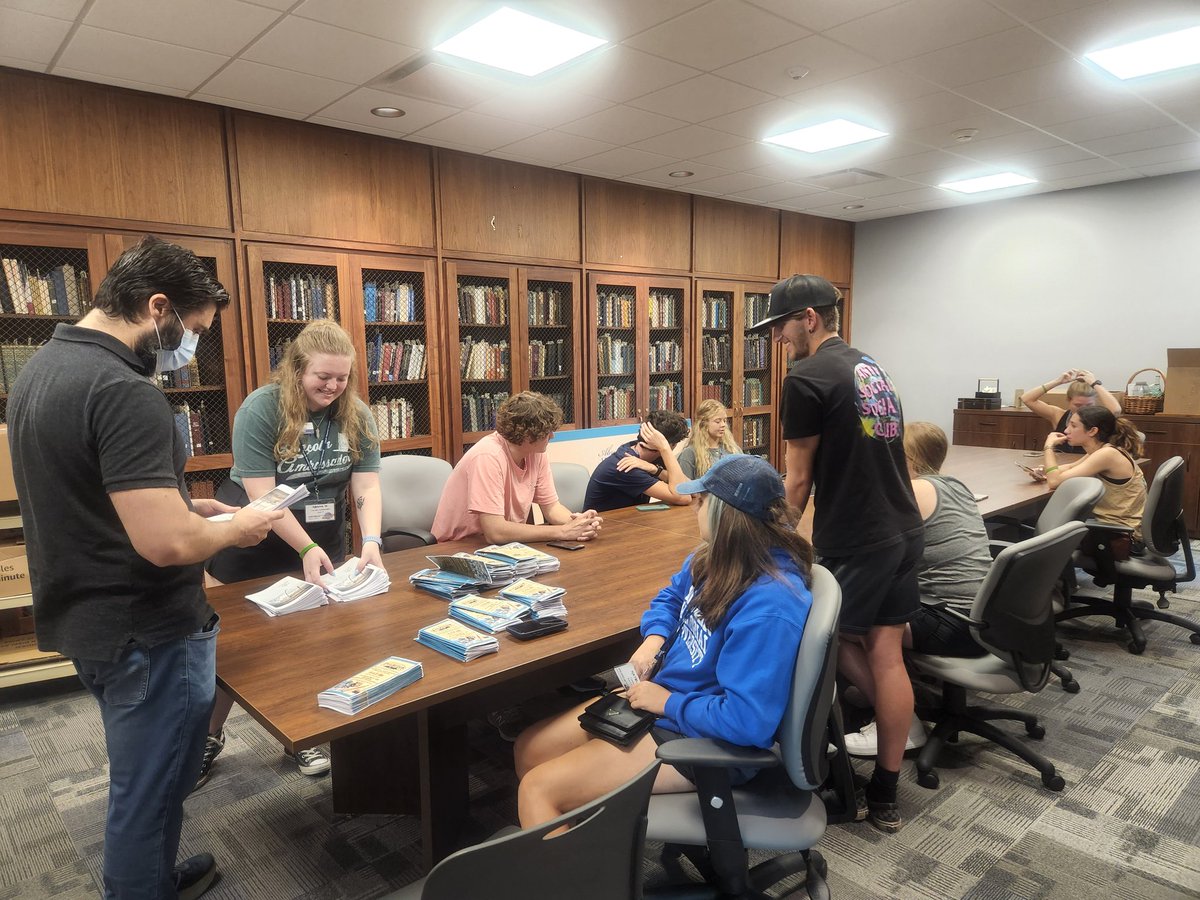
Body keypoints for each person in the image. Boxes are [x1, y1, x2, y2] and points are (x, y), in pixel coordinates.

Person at [7, 235, 281, 899]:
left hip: (88, 617)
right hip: (148, 630)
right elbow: (164, 546)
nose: (188, 348)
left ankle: (152, 878)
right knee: (151, 787)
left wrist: (184, 503)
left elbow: (86, 492)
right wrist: (238, 524)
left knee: (146, 776)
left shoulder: (44, 367)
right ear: (156, 306)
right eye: (189, 330)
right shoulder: (126, 391)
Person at [514, 455, 813, 828]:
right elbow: (671, 598)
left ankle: (575, 879)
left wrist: (668, 702)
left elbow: (748, 722)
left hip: (707, 738)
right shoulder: (716, 558)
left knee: (538, 789)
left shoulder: (770, 605)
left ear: (725, 514)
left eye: (702, 502)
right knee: (529, 749)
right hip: (665, 700)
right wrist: (653, 641)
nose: (694, 508)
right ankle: (584, 847)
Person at [750, 273, 923, 833]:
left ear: (809, 319)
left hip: (859, 536)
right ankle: (887, 792)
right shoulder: (870, 365)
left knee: (814, 636)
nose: (776, 339)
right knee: (886, 653)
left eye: (779, 325)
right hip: (902, 527)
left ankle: (814, 767)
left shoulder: (805, 378)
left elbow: (797, 482)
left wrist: (770, 546)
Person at [199, 319, 384, 786]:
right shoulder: (261, 409)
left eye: (342, 378)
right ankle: (208, 736)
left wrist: (372, 541)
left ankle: (303, 736)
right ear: (297, 369)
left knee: (315, 641)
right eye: (323, 376)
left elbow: (366, 482)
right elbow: (264, 495)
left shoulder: (355, 412)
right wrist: (303, 545)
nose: (333, 386)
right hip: (254, 535)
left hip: (322, 536)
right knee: (240, 647)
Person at [843, 422, 993, 756]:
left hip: (955, 621)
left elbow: (867, 548)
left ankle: (899, 721)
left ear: (905, 456)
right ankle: (890, 689)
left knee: (838, 629)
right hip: (987, 614)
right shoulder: (955, 485)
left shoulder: (912, 493)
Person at [432, 391, 603, 544]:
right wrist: (563, 531)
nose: (552, 436)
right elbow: (495, 532)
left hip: (499, 547)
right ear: (528, 435)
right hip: (458, 546)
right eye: (546, 432)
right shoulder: (488, 456)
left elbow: (552, 508)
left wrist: (578, 523)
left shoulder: (537, 453)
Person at [1043, 406, 1146, 542]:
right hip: (1111, 528)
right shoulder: (1101, 450)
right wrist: (1043, 471)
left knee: (1047, 536)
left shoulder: (1107, 454)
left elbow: (1054, 482)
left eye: (1073, 426)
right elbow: (1070, 467)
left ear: (1092, 431)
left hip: (1121, 537)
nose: (1066, 430)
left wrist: (1048, 447)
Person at [582, 409, 691, 512]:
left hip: (631, 522)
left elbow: (693, 489)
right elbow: (683, 497)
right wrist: (665, 449)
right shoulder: (626, 464)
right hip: (603, 527)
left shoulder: (650, 456)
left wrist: (655, 470)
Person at [1021, 369, 1121, 455]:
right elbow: (1027, 399)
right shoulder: (1059, 415)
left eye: (1089, 405)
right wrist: (1058, 381)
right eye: (1078, 405)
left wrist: (1094, 383)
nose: (1083, 409)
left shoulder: (1100, 418)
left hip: (1088, 468)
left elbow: (1116, 410)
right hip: (1061, 465)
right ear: (1069, 400)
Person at [676, 399, 742, 479]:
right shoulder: (690, 453)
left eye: (724, 421)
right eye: (717, 421)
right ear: (704, 423)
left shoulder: (732, 449)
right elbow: (684, 486)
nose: (723, 425)